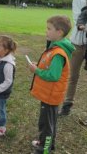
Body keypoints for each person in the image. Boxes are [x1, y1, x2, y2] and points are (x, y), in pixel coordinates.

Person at [28, 15, 74, 154]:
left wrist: (37, 71)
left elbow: (54, 75)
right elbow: (49, 67)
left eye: (49, 29)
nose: (46, 31)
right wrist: (39, 67)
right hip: (50, 94)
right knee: (49, 122)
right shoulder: (55, 49)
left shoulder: (58, 53)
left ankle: (44, 149)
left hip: (51, 95)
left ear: (59, 32)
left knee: (46, 125)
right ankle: (47, 144)